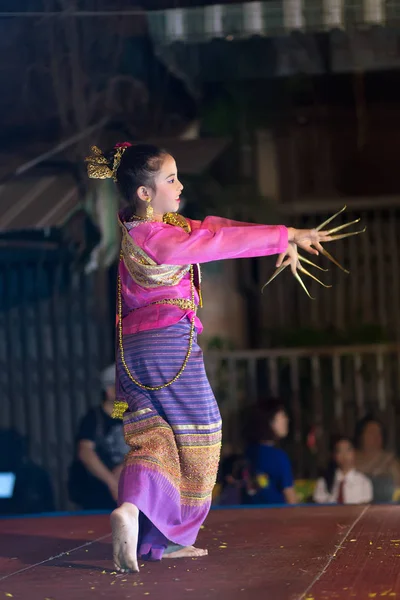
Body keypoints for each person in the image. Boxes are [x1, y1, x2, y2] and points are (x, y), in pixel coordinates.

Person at [85, 141, 334, 573]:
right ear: (144, 192)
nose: (180, 185)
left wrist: (278, 238)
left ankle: (131, 511)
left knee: (156, 438)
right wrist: (287, 235)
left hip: (133, 350)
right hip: (168, 344)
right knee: (202, 432)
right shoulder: (162, 241)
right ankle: (175, 534)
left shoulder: (137, 228)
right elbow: (216, 241)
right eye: (170, 179)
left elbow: (213, 226)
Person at [68, 364, 129, 510]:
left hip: (128, 494)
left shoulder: (131, 415)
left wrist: (125, 466)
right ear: (109, 390)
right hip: (98, 496)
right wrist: (112, 483)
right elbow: (85, 452)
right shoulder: (94, 418)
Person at [245, 400, 297, 505]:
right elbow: (291, 499)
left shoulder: (247, 453)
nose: (286, 420)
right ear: (270, 422)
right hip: (276, 518)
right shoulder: (278, 457)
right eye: (282, 416)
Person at [313, 436, 373, 505]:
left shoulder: (364, 482)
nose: (344, 455)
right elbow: (318, 509)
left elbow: (364, 512)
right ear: (334, 455)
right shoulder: (323, 481)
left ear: (354, 453)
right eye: (340, 451)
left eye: (348, 450)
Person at [354, 415, 400, 503]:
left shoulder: (390, 461)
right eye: (371, 433)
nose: (376, 437)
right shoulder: (351, 458)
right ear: (361, 436)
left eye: (379, 433)